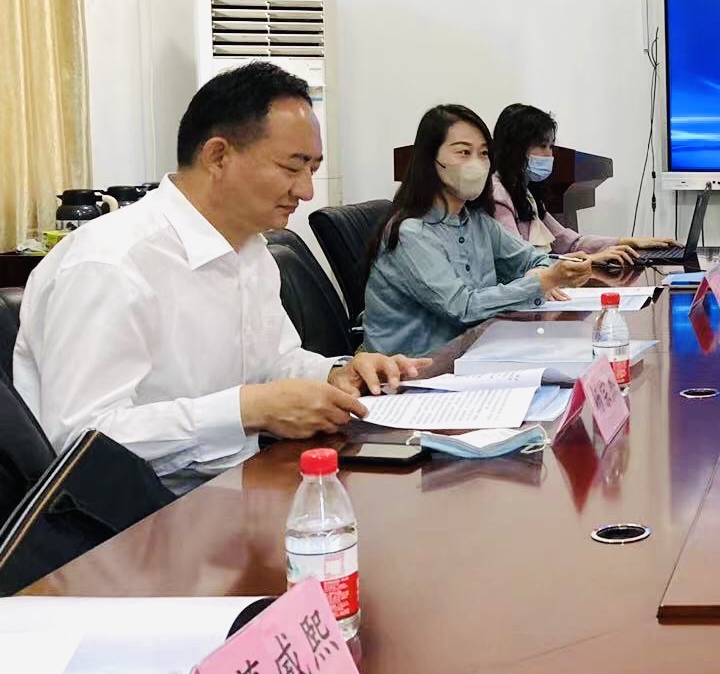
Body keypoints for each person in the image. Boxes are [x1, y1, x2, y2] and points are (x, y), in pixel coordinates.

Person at [14, 63, 426, 494]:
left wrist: (335, 375)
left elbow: (274, 363)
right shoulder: (111, 263)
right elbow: (81, 442)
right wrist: (245, 410)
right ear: (218, 157)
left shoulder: (250, 249)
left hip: (237, 486)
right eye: (292, 167)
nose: (306, 191)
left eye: (312, 169)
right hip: (139, 515)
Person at [364, 104, 593, 357]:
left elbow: (534, 258)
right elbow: (462, 308)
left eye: (483, 153)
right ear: (430, 159)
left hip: (474, 352)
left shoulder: (476, 222)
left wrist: (546, 272)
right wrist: (543, 281)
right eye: (464, 152)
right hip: (413, 368)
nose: (477, 163)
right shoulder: (411, 233)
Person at [488, 103, 675, 269]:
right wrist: (588, 260)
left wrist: (629, 241)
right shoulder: (499, 194)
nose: (550, 155)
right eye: (543, 146)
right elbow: (520, 263)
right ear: (515, 148)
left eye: (551, 146)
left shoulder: (524, 192)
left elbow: (568, 242)